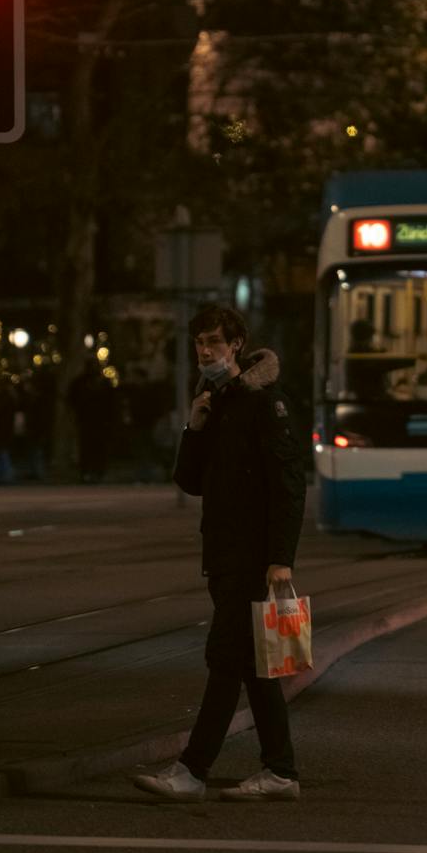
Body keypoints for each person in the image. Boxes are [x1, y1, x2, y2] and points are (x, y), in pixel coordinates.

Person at [135, 304, 310, 803]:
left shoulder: (264, 403)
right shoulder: (213, 401)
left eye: (214, 341)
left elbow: (288, 484)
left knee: (224, 659)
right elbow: (190, 482)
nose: (206, 351)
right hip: (224, 554)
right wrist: (194, 427)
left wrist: (281, 557)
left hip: (252, 558)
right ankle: (281, 771)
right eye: (199, 343)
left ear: (236, 344)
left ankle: (192, 770)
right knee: (256, 667)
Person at [67, 358, 117, 483]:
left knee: (99, 448)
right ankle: (87, 472)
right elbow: (73, 400)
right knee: (86, 448)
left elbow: (111, 403)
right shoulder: (80, 383)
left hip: (101, 422)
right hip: (86, 421)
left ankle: (98, 472)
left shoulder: (104, 383)